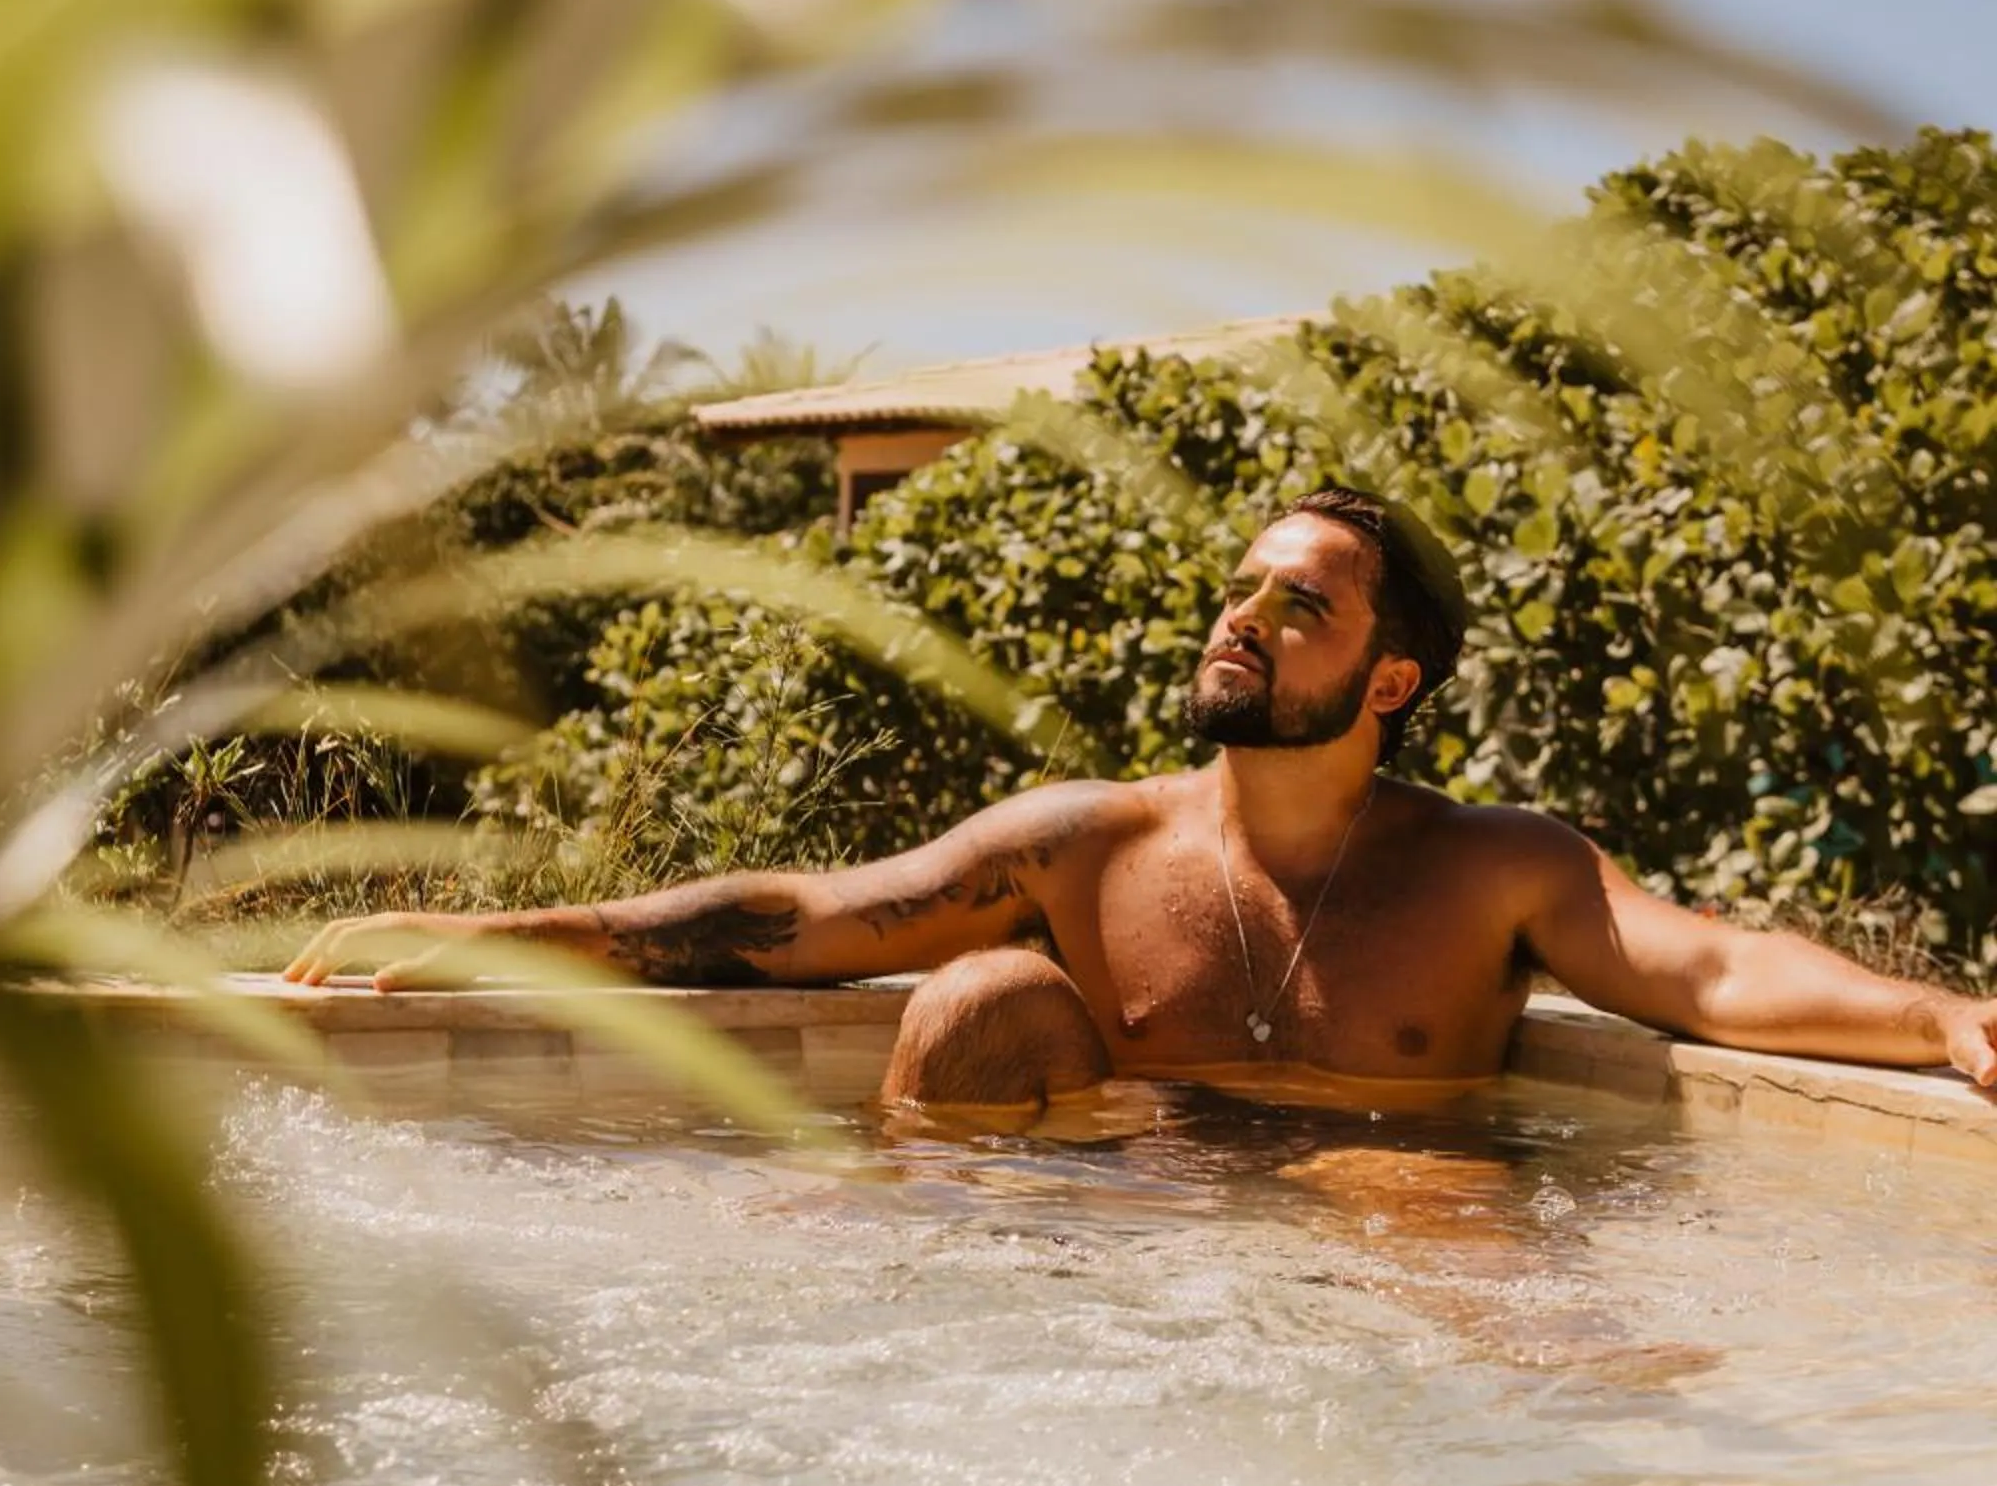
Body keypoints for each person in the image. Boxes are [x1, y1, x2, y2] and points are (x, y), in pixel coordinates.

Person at [285, 485, 1997, 1122]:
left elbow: (1703, 976)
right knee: (985, 998)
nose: (1242, 622)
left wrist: (1947, 1021)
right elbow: (803, 920)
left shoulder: (1494, 872)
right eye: (1240, 593)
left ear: (1389, 684)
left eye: (1299, 608)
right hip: (1132, 1259)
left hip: (1415, 1256)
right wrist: (502, 937)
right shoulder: (1086, 845)